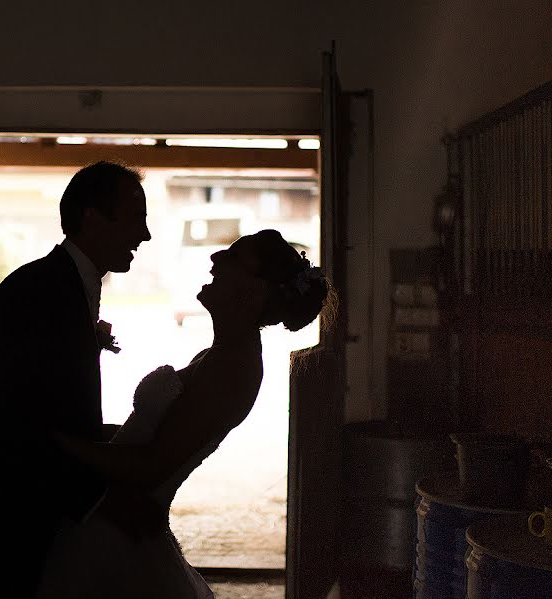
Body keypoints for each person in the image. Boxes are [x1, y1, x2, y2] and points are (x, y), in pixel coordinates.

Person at [36, 229, 335, 599]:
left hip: (117, 541)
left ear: (256, 290)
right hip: (110, 526)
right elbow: (151, 436)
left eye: (233, 257)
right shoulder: (219, 354)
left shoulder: (233, 369)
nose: (215, 260)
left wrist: (51, 440)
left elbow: (150, 465)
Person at [0, 161, 151, 598]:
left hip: (18, 499)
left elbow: (53, 408)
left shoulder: (63, 283)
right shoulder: (37, 291)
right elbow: (19, 420)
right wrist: (106, 494)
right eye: (136, 217)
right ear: (91, 217)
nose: (145, 234)